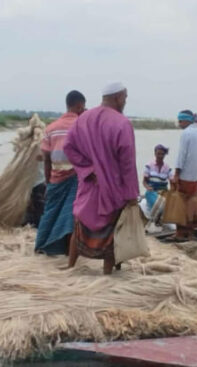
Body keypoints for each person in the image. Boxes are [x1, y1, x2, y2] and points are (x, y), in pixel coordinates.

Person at [63, 82, 139, 274]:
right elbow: (127, 163)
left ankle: (70, 266)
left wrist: (88, 170)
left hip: (89, 185)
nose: (126, 101)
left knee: (79, 226)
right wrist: (131, 194)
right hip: (114, 188)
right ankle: (107, 274)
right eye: (125, 97)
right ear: (118, 98)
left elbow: (68, 147)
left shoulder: (83, 119)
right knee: (112, 233)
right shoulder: (123, 123)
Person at [35, 90, 86, 255]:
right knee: (70, 217)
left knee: (49, 213)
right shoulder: (82, 126)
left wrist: (48, 181)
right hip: (76, 178)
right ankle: (67, 251)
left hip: (55, 179)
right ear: (79, 105)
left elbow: (47, 158)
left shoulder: (51, 128)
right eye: (83, 106)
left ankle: (41, 245)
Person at [173, 109, 197, 240]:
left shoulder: (186, 134)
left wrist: (176, 173)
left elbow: (181, 155)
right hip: (195, 176)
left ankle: (181, 233)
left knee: (181, 205)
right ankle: (191, 231)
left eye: (180, 120)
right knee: (193, 203)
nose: (179, 123)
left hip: (185, 176)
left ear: (187, 120)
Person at [142, 144, 172, 211]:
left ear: (164, 155)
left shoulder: (167, 167)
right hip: (152, 191)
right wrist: (147, 187)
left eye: (162, 154)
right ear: (155, 153)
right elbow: (144, 181)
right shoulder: (149, 165)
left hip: (163, 192)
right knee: (155, 202)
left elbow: (172, 182)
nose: (160, 156)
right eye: (158, 154)